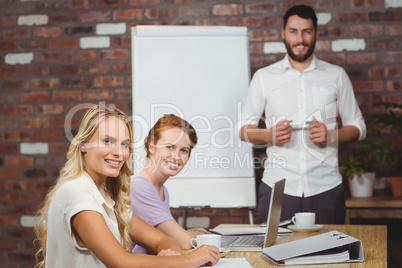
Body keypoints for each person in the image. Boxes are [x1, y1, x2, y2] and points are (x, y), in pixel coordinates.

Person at [34, 105, 220, 268]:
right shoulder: (76, 192)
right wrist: (192, 259)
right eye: (107, 141)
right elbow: (121, 262)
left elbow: (164, 240)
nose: (119, 152)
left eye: (124, 144)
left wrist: (169, 251)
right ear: (83, 145)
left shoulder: (108, 195)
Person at [239, 5, 366, 224]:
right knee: (273, 255)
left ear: (316, 34)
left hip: (325, 188)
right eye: (293, 31)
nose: (300, 39)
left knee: (330, 256)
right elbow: (242, 129)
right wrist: (269, 136)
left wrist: (331, 136)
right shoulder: (264, 77)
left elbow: (358, 127)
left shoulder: (336, 76)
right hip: (277, 188)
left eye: (306, 31)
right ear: (283, 33)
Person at [130, 114, 210, 254]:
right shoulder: (138, 186)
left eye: (184, 150)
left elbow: (171, 237)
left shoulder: (163, 191)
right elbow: (184, 241)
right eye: (169, 147)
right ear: (151, 147)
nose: (176, 156)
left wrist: (186, 234)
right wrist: (198, 236)